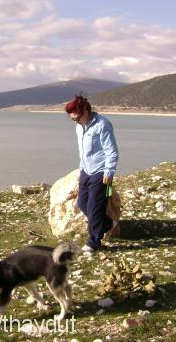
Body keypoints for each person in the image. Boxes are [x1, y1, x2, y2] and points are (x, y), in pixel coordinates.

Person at [65, 95, 119, 253]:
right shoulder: (79, 127)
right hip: (86, 170)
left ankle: (93, 243)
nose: (75, 121)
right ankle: (108, 224)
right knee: (82, 203)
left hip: (101, 171)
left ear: (86, 111)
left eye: (76, 118)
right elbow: (83, 152)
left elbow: (112, 151)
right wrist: (81, 169)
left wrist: (109, 171)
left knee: (94, 208)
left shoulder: (102, 125)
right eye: (72, 119)